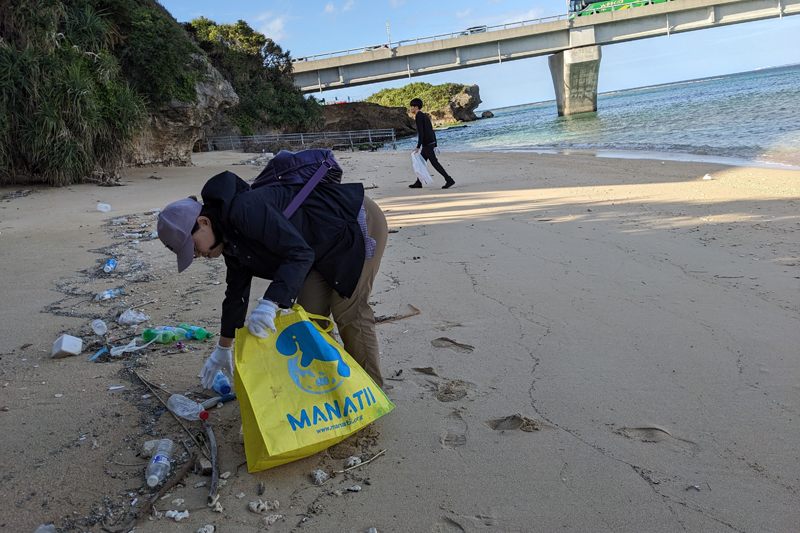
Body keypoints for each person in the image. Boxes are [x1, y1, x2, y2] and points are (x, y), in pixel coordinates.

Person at [156, 169, 388, 389]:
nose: (197, 255)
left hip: (353, 221)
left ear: (203, 223)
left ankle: (371, 391)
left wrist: (270, 303)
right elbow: (236, 294)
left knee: (349, 311)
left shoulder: (245, 210)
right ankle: (336, 384)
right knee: (308, 319)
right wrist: (223, 347)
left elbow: (299, 254)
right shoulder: (230, 242)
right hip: (317, 246)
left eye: (194, 247)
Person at [409, 97, 455, 189]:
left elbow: (421, 132)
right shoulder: (424, 115)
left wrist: (418, 146)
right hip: (430, 143)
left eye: (411, 106)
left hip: (427, 145)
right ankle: (418, 182)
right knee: (422, 163)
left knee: (434, 163)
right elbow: (431, 130)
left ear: (416, 107)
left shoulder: (419, 116)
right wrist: (435, 144)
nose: (410, 108)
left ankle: (449, 179)